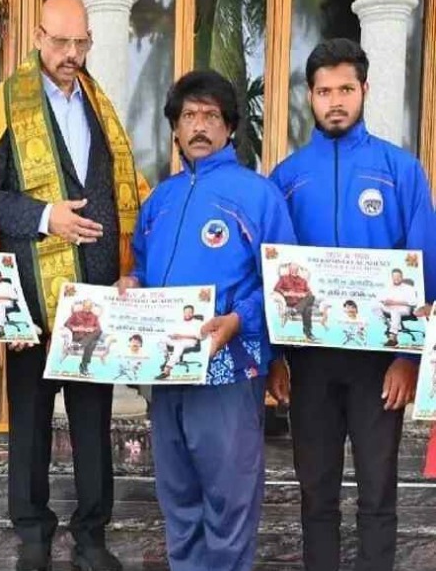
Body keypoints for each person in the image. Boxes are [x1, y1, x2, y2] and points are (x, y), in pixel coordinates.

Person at [0, 0, 149, 571]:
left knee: (94, 422)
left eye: (81, 43)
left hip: (95, 296)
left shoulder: (100, 105)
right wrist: (46, 217)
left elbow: (122, 191)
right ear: (38, 37)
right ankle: (33, 534)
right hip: (30, 298)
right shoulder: (2, 106)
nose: (71, 53)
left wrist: (131, 266)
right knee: (30, 422)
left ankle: (92, 536)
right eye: (61, 41)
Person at [267, 38, 436, 571]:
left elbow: (425, 265)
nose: (335, 101)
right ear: (309, 97)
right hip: (310, 362)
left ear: (365, 89)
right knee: (315, 493)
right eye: (324, 92)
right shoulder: (286, 178)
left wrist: (408, 357)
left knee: (377, 492)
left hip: (378, 365)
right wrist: (276, 357)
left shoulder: (400, 170)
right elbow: (270, 274)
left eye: (345, 89)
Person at [117, 69, 296, 571]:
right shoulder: (160, 200)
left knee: (229, 501)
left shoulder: (258, 195)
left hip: (228, 371)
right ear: (175, 127)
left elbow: (285, 281)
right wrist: (131, 284)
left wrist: (240, 319)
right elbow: (143, 268)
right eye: (189, 115)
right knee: (178, 499)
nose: (199, 125)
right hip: (167, 373)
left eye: (211, 116)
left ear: (230, 127)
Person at [157, 305, 204, 380]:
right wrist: (172, 336)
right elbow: (175, 332)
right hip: (177, 340)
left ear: (193, 313)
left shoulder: (198, 322)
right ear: (183, 313)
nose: (187, 314)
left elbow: (199, 337)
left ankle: (166, 371)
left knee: (179, 346)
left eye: (189, 312)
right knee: (161, 339)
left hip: (189, 341)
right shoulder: (180, 322)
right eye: (185, 312)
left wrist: (182, 336)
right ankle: (167, 358)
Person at [273, 262, 316, 341]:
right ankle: (308, 332)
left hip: (301, 301)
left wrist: (303, 294)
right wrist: (285, 293)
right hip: (290, 301)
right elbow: (276, 288)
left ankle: (307, 332)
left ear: (298, 270)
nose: (294, 271)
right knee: (307, 308)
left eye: (295, 269)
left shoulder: (303, 280)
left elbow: (309, 292)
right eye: (292, 269)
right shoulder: (283, 278)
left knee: (311, 299)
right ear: (289, 269)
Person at [63, 299, 102, 376]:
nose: (87, 308)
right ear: (83, 306)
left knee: (97, 333)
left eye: (89, 306)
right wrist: (75, 328)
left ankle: (80, 348)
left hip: (89, 335)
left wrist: (92, 329)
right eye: (86, 306)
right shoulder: (76, 314)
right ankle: (84, 365)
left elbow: (98, 328)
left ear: (91, 307)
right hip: (78, 335)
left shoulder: (94, 316)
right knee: (92, 342)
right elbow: (66, 324)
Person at [380, 268, 418, 347]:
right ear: (392, 277)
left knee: (395, 311)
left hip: (404, 308)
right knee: (375, 306)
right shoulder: (388, 287)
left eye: (398, 276)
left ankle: (393, 338)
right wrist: (385, 301)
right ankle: (389, 323)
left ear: (402, 277)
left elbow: (414, 302)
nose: (396, 278)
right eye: (394, 277)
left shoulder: (409, 288)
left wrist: (395, 302)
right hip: (390, 307)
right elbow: (381, 298)